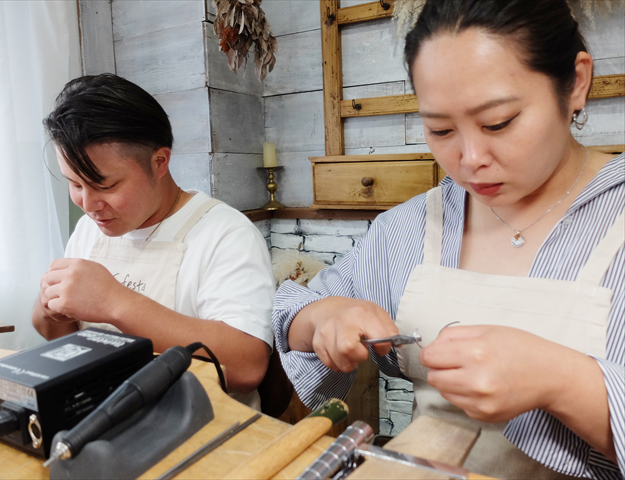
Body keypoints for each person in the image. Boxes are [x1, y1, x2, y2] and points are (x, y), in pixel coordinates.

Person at [272, 0, 624, 478]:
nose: (470, 157)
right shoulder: (414, 225)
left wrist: (565, 381)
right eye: (440, 129)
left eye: (498, 122)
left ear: (576, 82)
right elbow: (292, 316)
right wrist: (323, 317)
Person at [32, 74, 275, 407]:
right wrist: (49, 310)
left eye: (105, 186)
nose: (88, 205)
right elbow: (64, 340)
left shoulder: (225, 233)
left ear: (159, 161)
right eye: (75, 184)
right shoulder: (91, 228)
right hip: (105, 420)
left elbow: (247, 366)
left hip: (204, 433)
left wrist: (115, 302)